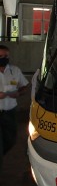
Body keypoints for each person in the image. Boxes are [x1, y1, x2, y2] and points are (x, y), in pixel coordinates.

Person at [0, 45, 29, 173]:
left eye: (6, 56)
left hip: (10, 112)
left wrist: (17, 93)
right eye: (0, 56)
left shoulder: (15, 71)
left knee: (11, 139)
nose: (4, 58)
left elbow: (24, 87)